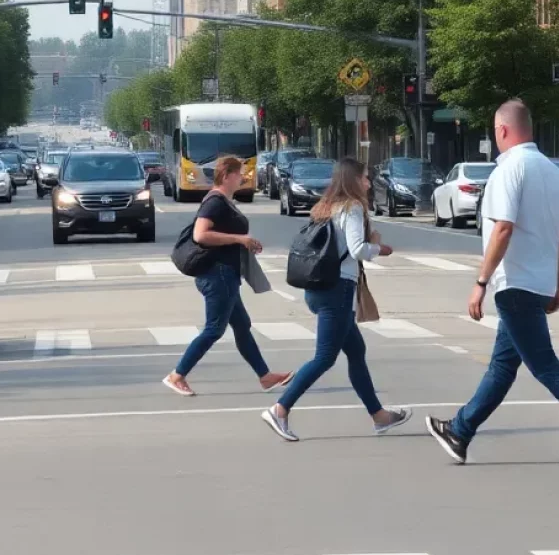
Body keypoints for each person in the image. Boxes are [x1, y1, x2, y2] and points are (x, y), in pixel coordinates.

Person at [426, 99, 559, 465]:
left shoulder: (508, 171)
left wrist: (481, 281)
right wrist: (556, 280)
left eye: (495, 130)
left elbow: (502, 228)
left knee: (544, 363)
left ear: (502, 130)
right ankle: (460, 431)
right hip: (538, 283)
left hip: (514, 283)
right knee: (502, 367)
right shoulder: (551, 171)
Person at [262, 157, 411, 441]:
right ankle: (280, 409)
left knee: (356, 351)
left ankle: (379, 416)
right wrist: (379, 248)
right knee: (325, 358)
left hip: (318, 288)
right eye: (365, 177)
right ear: (353, 180)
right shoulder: (352, 207)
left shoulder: (325, 207)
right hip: (337, 291)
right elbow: (356, 249)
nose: (369, 183)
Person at [164, 155, 294, 397]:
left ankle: (265, 377)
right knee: (214, 329)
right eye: (239, 173)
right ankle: (177, 375)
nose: (244, 177)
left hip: (226, 273)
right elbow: (201, 235)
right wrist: (239, 239)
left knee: (242, 326)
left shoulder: (224, 201)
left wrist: (244, 243)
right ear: (226, 176)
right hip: (217, 273)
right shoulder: (215, 201)